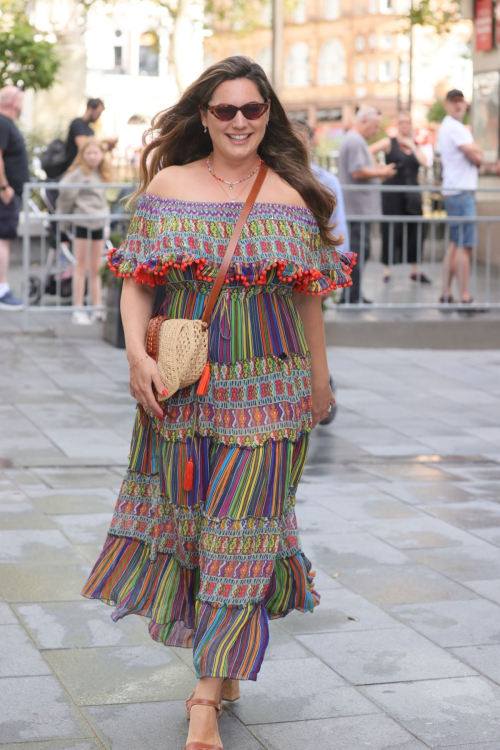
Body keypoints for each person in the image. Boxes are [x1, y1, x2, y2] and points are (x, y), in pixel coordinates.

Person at [81, 56, 355, 750]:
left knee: (241, 528)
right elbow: (137, 281)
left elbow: (307, 300)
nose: (240, 121)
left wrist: (321, 383)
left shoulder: (295, 195)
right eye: (226, 110)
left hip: (270, 392)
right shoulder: (168, 187)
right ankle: (228, 660)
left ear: (270, 116)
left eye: (253, 110)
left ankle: (205, 696)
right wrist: (138, 360)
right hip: (181, 390)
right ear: (203, 115)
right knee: (196, 529)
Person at [338, 107, 397, 304]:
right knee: (358, 253)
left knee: (360, 253)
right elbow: (357, 171)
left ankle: (353, 295)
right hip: (358, 209)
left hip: (358, 209)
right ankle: (352, 296)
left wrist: (376, 170)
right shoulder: (355, 141)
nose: (375, 131)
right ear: (363, 121)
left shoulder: (354, 140)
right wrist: (381, 173)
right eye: (374, 126)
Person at [369, 111, 430, 284]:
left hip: (412, 195)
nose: (405, 125)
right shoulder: (389, 142)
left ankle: (415, 269)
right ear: (398, 125)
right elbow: (367, 151)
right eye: (402, 122)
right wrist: (380, 169)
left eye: (408, 122)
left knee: (416, 229)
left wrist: (412, 144)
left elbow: (426, 163)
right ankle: (386, 270)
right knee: (391, 229)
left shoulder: (414, 145)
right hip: (392, 194)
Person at [56, 139, 111, 324]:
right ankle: (78, 308)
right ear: (83, 155)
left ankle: (96, 307)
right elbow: (64, 192)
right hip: (82, 223)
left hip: (98, 223)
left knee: (96, 268)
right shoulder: (78, 174)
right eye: (89, 153)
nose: (92, 156)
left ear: (102, 155)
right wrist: (63, 222)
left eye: (96, 153)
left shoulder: (102, 174)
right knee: (80, 266)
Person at [438, 89, 482, 304]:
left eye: (461, 102)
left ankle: (446, 293)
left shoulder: (448, 126)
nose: (458, 105)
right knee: (464, 245)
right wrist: (478, 153)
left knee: (456, 244)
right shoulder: (456, 128)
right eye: (454, 102)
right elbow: (477, 156)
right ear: (447, 104)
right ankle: (464, 294)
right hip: (461, 192)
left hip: (454, 191)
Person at [0, 86, 29, 310]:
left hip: (9, 192)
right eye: (20, 99)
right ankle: (2, 290)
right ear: (13, 101)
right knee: (3, 240)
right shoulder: (2, 122)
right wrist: (4, 187)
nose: (22, 104)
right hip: (6, 194)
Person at [64, 98, 118, 174]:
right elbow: (83, 145)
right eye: (98, 113)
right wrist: (105, 140)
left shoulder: (90, 129)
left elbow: (93, 150)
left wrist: (107, 148)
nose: (99, 116)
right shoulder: (78, 123)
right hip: (74, 170)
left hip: (85, 171)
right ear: (90, 108)